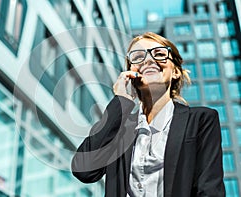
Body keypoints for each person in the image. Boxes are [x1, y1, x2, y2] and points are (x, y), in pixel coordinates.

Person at [71, 32, 225, 197]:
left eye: (159, 54)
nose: (149, 60)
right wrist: (121, 101)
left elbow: (209, 191)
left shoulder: (201, 120)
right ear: (131, 73)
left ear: (176, 72)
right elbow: (84, 171)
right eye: (138, 57)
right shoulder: (120, 129)